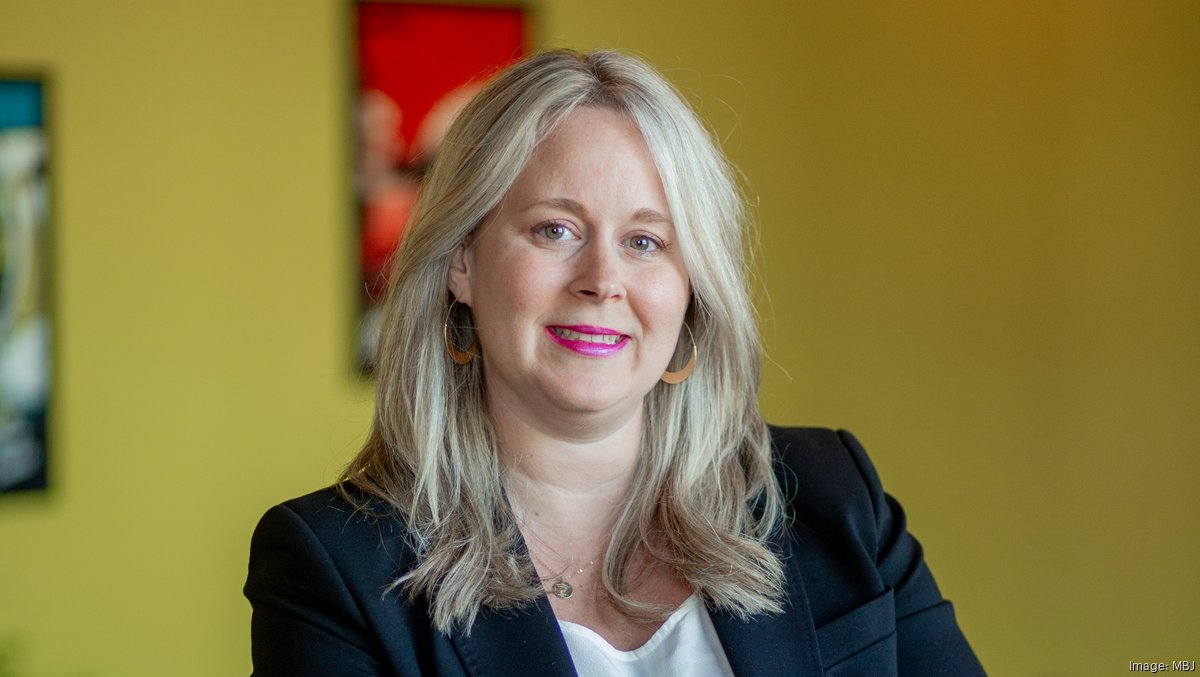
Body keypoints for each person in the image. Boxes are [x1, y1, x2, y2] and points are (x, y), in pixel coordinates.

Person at [245, 49, 985, 676]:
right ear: (461, 260)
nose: (603, 280)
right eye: (555, 229)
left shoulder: (834, 497)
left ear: (691, 288)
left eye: (645, 241)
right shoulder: (337, 566)